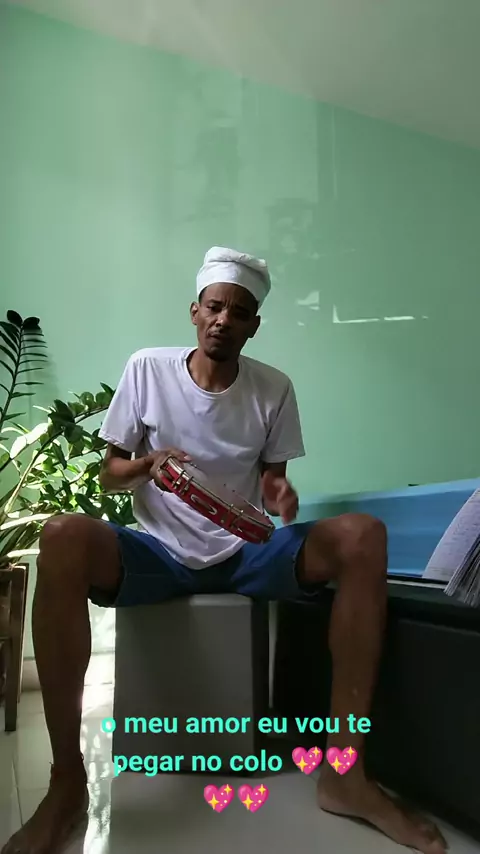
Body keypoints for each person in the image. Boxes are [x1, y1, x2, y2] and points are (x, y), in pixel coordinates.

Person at [2, 247, 447, 854]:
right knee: (61, 535)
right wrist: (149, 465)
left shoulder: (274, 388)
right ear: (195, 311)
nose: (223, 320)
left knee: (364, 535)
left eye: (238, 313)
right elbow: (109, 473)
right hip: (157, 552)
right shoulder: (147, 369)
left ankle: (345, 773)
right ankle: (66, 783)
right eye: (214, 307)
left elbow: (273, 481)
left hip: (245, 552)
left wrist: (279, 492)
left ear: (253, 325)